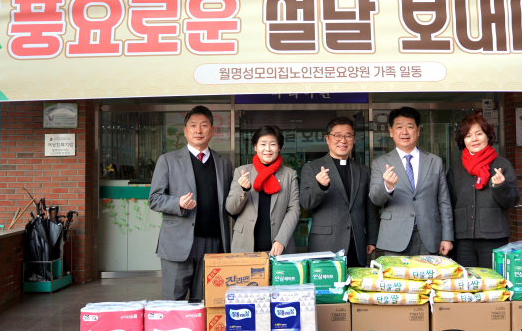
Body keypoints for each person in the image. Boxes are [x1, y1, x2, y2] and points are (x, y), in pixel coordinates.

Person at [149, 106, 233, 301]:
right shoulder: (167, 160)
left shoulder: (223, 163)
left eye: (204, 125)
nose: (198, 130)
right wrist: (177, 203)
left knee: (205, 302)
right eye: (193, 126)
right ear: (185, 131)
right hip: (177, 243)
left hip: (213, 243)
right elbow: (154, 199)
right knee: (173, 303)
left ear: (212, 130)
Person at [369, 106, 453, 256]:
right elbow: (375, 199)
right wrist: (387, 186)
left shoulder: (435, 162)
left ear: (418, 131)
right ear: (391, 132)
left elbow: (444, 202)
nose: (405, 132)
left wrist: (447, 237)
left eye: (410, 126)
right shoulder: (379, 163)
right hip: (394, 237)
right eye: (399, 127)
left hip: (429, 237)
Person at [300, 117, 379, 267]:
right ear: (327, 139)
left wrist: (371, 239)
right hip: (325, 244)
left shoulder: (363, 170)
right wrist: (320, 186)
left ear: (353, 139)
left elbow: (370, 207)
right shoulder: (312, 167)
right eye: (337, 135)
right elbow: (305, 203)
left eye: (348, 136)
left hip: (357, 244)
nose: (343, 140)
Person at [447, 113, 520, 268]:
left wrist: (500, 186)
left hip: (494, 237)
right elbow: (448, 202)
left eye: (479, 134)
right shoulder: (456, 168)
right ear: (463, 140)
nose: (474, 139)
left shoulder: (502, 164)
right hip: (462, 239)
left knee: (492, 280)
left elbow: (512, 201)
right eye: (468, 136)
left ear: (488, 136)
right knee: (466, 280)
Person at [226, 125, 300, 255]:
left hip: (278, 249)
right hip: (245, 247)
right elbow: (231, 208)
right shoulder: (242, 172)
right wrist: (243, 190)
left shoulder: (290, 174)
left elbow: (294, 209)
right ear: (255, 147)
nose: (268, 149)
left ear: (279, 147)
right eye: (263, 144)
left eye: (273, 144)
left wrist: (281, 240)